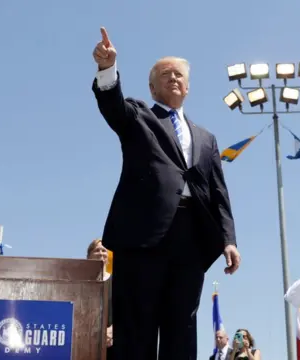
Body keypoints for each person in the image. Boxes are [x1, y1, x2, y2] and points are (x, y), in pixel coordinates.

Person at [91, 27, 241, 360]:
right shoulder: (139, 116)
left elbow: (218, 191)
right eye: (164, 74)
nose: (172, 78)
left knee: (182, 327)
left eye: (178, 74)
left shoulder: (207, 138)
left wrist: (228, 239)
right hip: (143, 237)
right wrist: (107, 69)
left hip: (192, 240)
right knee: (137, 327)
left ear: (187, 86)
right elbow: (112, 106)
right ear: (152, 86)